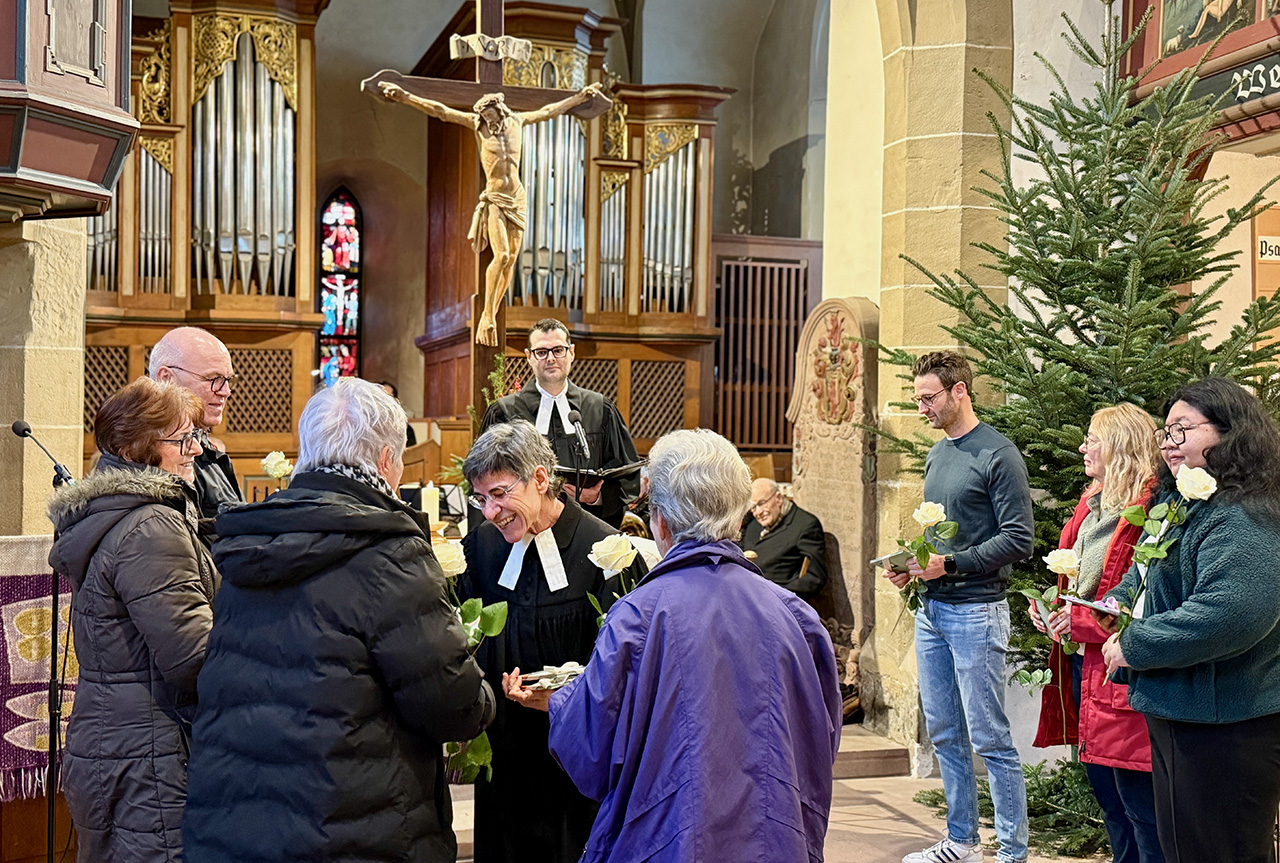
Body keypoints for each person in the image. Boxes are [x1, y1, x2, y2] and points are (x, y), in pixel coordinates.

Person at [182, 378, 495, 863]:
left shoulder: (251, 540)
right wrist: (484, 697)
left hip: (238, 824)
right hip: (355, 831)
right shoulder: (390, 552)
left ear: (306, 451)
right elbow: (449, 705)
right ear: (389, 461)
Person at [503, 428, 842, 861]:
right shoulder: (797, 616)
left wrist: (561, 699)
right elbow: (821, 738)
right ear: (739, 520)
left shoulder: (638, 615)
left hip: (672, 840)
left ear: (659, 521)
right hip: (772, 837)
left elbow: (590, 749)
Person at [1100, 378, 1280, 863]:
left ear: (1229, 433)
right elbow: (1147, 571)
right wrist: (1118, 605)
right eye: (1166, 431)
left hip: (1226, 726)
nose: (1168, 443)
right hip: (1185, 712)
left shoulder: (1244, 514)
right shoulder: (1186, 503)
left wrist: (1135, 645)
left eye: (1182, 430)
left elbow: (1231, 614)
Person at [459, 419, 647, 863]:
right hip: (504, 748)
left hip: (574, 752)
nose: (490, 512)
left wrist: (566, 698)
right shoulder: (481, 548)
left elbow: (628, 665)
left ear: (542, 479)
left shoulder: (606, 550)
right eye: (481, 498)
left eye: (501, 494)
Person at [48, 377, 219, 863]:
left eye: (195, 437)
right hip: (150, 753)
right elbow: (193, 660)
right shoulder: (151, 526)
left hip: (113, 742)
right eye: (183, 440)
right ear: (139, 449)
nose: (195, 451)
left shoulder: (117, 512)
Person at [882, 351, 1033, 863]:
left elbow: (1019, 539)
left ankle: (1012, 852)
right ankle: (962, 841)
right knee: (945, 731)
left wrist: (949, 566)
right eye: (918, 398)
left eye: (929, 397)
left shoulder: (998, 454)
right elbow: (939, 539)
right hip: (932, 610)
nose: (921, 407)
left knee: (990, 738)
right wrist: (913, 565)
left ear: (959, 392)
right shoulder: (938, 453)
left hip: (976, 610)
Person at [1029, 404, 1164, 863]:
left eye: (1093, 438)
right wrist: (1051, 608)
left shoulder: (1148, 510)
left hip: (1117, 667)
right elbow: (1083, 581)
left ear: (1121, 445)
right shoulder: (1093, 501)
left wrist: (1081, 622)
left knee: (1141, 807)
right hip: (1082, 663)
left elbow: (1142, 597)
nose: (1083, 447)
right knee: (1110, 800)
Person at [378, 82, 605, 346]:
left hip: (517, 197)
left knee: (512, 261)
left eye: (489, 115)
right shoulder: (476, 125)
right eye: (483, 116)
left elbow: (549, 111)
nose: (486, 120)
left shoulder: (518, 121)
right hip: (495, 197)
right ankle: (487, 314)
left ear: (499, 109)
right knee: (503, 255)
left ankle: (494, 312)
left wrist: (578, 98)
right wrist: (405, 96)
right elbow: (440, 110)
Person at [481, 318, 641, 528]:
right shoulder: (504, 413)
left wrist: (595, 497)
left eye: (558, 350)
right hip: (524, 529)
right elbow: (484, 480)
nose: (550, 358)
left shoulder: (599, 408)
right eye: (542, 352)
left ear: (571, 353)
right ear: (529, 357)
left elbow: (626, 474)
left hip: (586, 530)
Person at [149, 326, 243, 541]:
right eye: (213, 379)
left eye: (228, 379)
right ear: (166, 378)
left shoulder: (204, 444)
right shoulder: (149, 454)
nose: (225, 391)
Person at [738, 477, 828, 600]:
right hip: (744, 593)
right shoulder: (753, 524)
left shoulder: (805, 525)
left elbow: (815, 578)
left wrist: (780, 595)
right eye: (753, 507)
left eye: (762, 503)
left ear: (779, 498)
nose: (758, 512)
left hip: (775, 602)